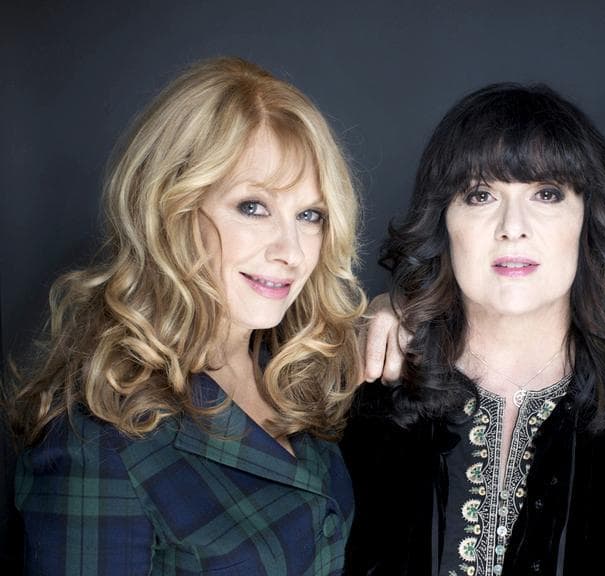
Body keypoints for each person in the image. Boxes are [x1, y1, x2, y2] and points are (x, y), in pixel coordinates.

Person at [342, 83, 605, 575]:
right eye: (480, 195)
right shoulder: (374, 395)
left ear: (587, 220)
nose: (512, 226)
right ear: (443, 223)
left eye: (547, 193)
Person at [9, 57, 365, 575]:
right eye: (253, 207)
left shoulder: (292, 372)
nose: (291, 251)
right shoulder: (96, 445)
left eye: (310, 216)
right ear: (171, 208)